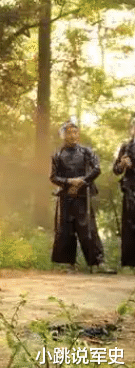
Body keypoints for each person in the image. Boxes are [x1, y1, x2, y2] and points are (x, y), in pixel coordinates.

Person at [50, 120, 110, 273]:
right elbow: (54, 177)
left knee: (88, 229)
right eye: (69, 133)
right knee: (66, 230)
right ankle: (69, 265)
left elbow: (96, 169)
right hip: (66, 196)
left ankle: (98, 263)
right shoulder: (58, 155)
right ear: (63, 135)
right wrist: (69, 182)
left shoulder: (86, 152)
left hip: (84, 196)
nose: (72, 135)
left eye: (75, 132)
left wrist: (81, 182)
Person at [113, 117, 135, 268]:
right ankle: (129, 263)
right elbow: (116, 170)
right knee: (128, 226)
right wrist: (122, 164)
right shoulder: (125, 147)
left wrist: (132, 166)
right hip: (129, 190)